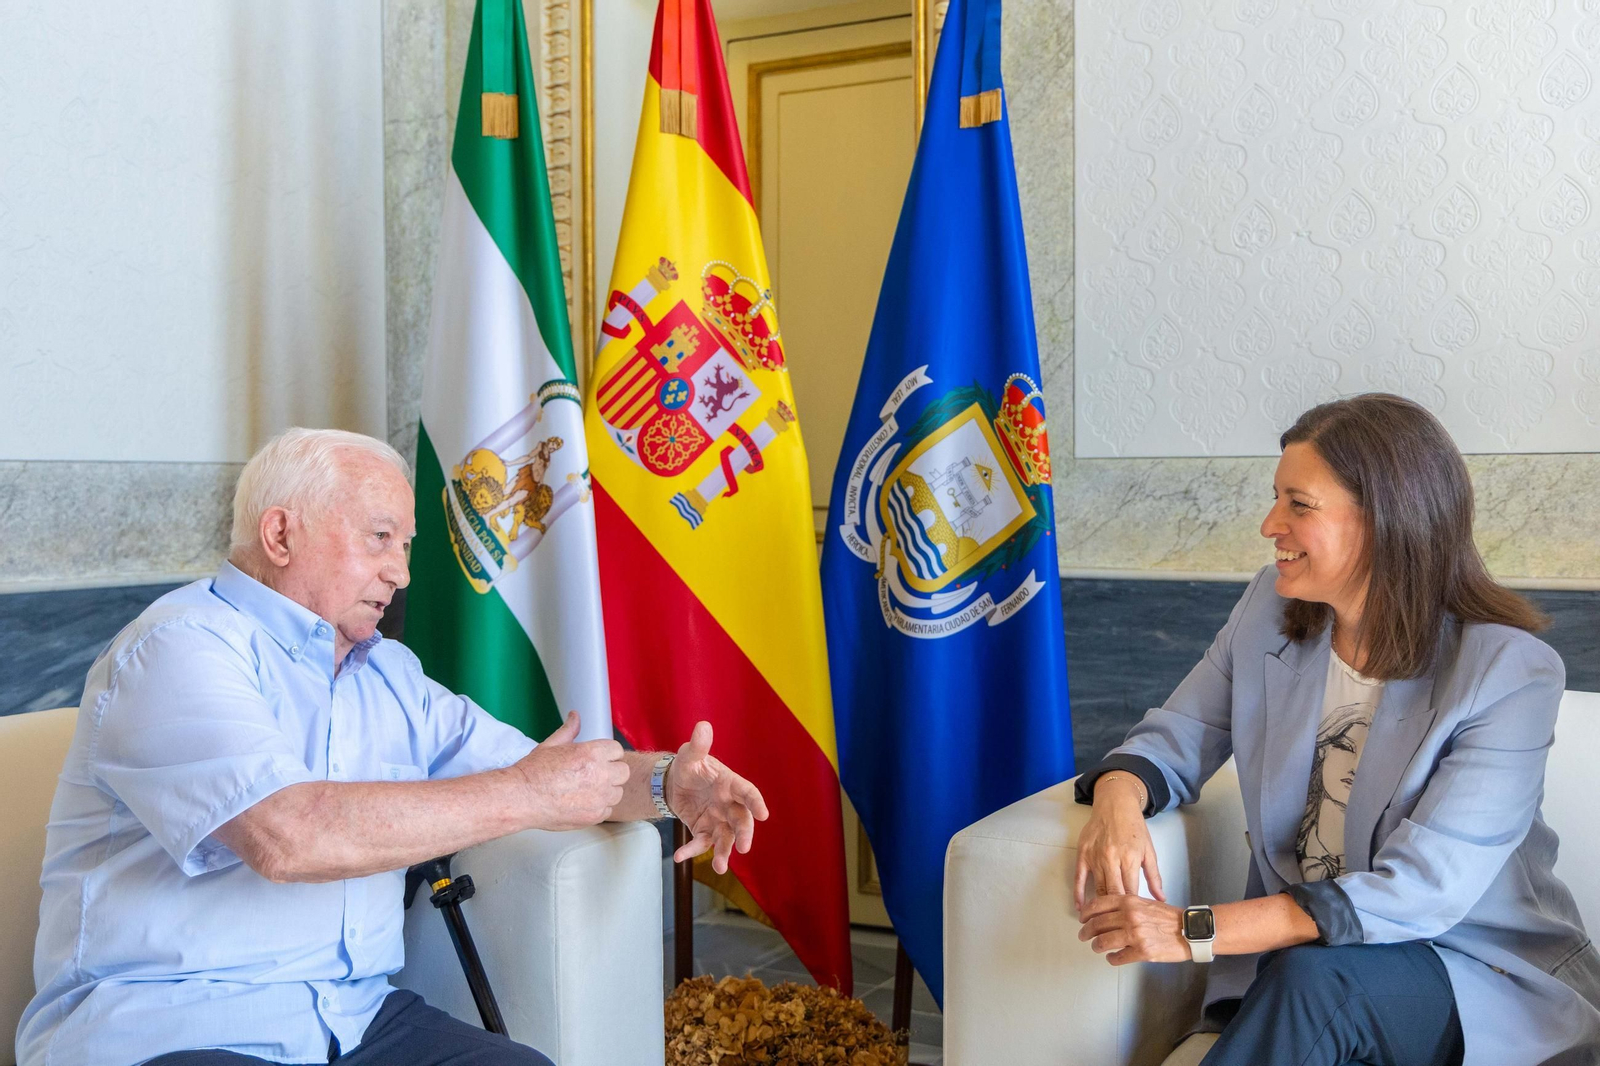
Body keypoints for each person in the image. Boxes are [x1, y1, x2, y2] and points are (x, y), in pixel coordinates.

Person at [17, 428, 769, 1066]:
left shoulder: (391, 675)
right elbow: (287, 836)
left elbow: (555, 775)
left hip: (354, 1021)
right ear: (281, 534)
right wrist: (530, 792)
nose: (402, 573)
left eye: (405, 547)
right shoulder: (179, 648)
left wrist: (672, 783)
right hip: (174, 1025)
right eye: (380, 539)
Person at [1071, 394, 1600, 1065]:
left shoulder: (1509, 672)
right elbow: (1178, 733)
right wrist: (1120, 800)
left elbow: (1422, 888)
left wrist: (1190, 930)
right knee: (1310, 976)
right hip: (1305, 974)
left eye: (1299, 504)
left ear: (1384, 521)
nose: (1269, 524)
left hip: (1471, 972)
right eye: (1275, 499)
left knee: (1318, 978)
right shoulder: (1267, 610)